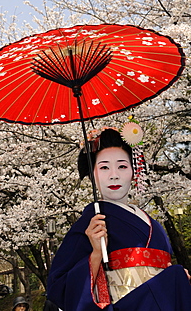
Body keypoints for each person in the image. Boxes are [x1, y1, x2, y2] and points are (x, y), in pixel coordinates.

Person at [47, 124, 191, 310]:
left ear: (134, 171)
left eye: (122, 166)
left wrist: (177, 279)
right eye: (104, 167)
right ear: (93, 174)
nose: (114, 176)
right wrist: (96, 254)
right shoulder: (91, 223)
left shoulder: (154, 225)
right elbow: (60, 287)